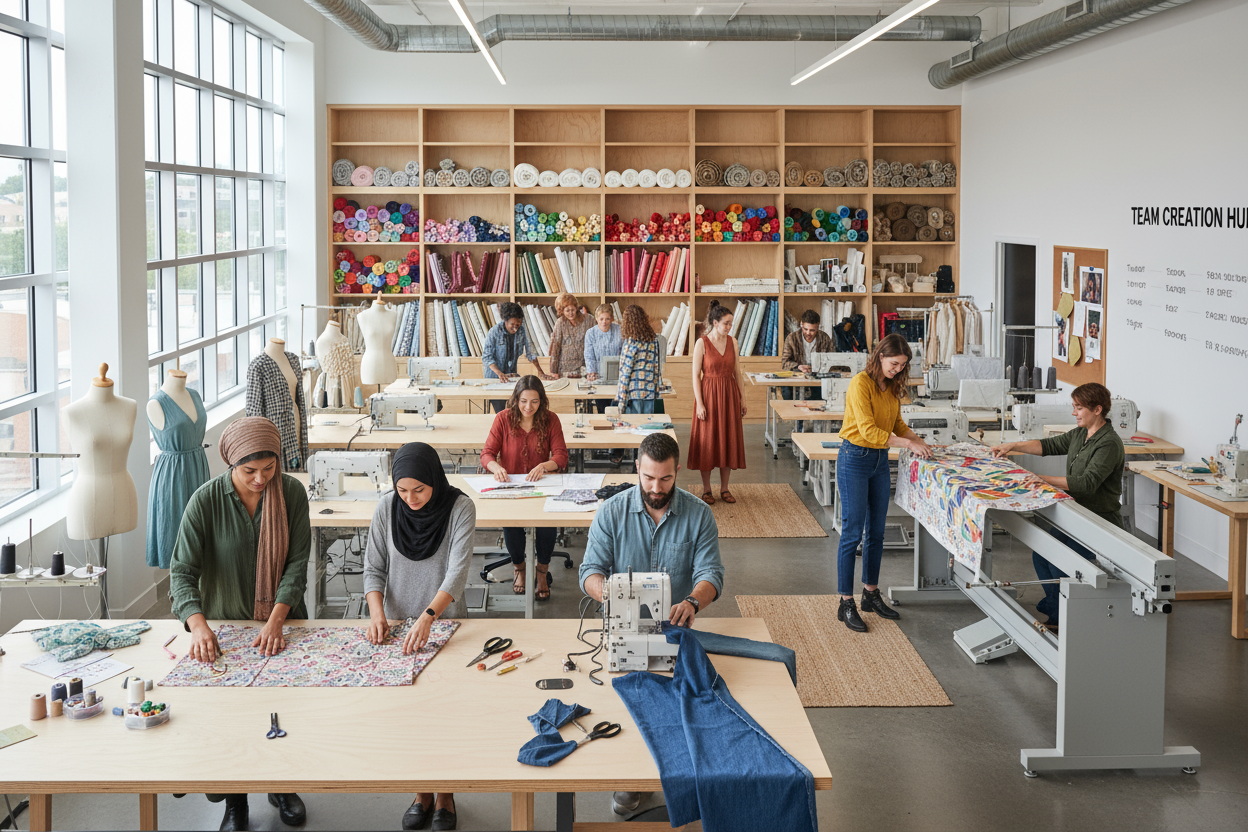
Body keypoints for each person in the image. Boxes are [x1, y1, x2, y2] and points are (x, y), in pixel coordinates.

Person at [169, 417, 310, 832]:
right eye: (250, 472)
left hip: (283, 622)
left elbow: (298, 563)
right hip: (226, 625)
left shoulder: (291, 492)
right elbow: (181, 572)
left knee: (285, 709)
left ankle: (283, 785)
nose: (261, 479)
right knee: (232, 718)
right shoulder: (205, 501)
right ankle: (236, 802)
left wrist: (276, 618)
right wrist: (197, 625)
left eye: (269, 469)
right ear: (231, 463)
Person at [579, 431, 724, 818]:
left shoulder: (698, 514)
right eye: (647, 478)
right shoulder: (611, 512)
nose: (655, 488)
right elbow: (589, 572)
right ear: (636, 470)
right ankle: (632, 779)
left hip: (676, 628)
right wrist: (612, 593)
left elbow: (712, 574)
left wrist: (693, 600)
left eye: (665, 479)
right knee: (631, 702)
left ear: (677, 472)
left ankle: (682, 777)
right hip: (624, 625)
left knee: (687, 705)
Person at [363, 442, 475, 831]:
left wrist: (428, 617)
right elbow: (373, 568)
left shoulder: (460, 508)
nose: (410, 499)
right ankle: (420, 792)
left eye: (419, 490)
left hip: (443, 625)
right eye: (402, 490)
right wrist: (377, 613)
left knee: (445, 713)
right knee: (407, 717)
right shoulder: (385, 509)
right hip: (396, 628)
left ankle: (445, 793)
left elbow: (457, 574)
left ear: (434, 481)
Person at [990, 382, 1125, 634]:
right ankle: (1056, 612)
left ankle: (1065, 619)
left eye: (1079, 408)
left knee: (1060, 564)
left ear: (1097, 409)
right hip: (1074, 513)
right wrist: (1012, 446)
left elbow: (1085, 484)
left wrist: (1038, 478)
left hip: (1098, 518)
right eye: (1074, 407)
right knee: (1041, 554)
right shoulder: (1080, 433)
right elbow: (1047, 446)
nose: (1074, 413)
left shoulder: (1108, 444)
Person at [834, 334, 933, 633]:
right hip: (854, 457)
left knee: (876, 532)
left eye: (902, 366)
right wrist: (907, 444)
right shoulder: (860, 383)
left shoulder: (890, 387)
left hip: (878, 461)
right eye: (894, 364)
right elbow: (867, 429)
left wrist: (921, 442)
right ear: (880, 357)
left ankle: (870, 594)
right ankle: (845, 602)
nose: (897, 370)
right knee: (852, 533)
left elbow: (896, 425)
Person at [480, 376, 569, 600]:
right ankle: (519, 567)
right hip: (512, 486)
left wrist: (544, 465)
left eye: (535, 402)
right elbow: (486, 454)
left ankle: (542, 571)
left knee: (547, 527)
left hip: (541, 485)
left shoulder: (551, 420)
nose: (528, 407)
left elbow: (561, 456)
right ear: (515, 399)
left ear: (542, 401)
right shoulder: (502, 419)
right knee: (511, 527)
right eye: (523, 401)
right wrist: (495, 467)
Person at [688, 300, 747, 505]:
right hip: (709, 395)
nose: (729, 327)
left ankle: (724, 488)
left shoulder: (734, 342)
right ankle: (706, 490)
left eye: (731, 323)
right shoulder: (701, 343)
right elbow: (696, 375)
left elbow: (737, 373)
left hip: (729, 395)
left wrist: (742, 398)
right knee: (707, 442)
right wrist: (701, 404)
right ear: (715, 323)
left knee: (727, 441)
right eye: (726, 323)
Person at [482, 301, 549, 412]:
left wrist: (540, 371)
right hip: (494, 379)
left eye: (518, 325)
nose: (515, 329)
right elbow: (487, 357)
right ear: (505, 321)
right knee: (500, 412)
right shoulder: (493, 332)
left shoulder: (521, 331)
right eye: (512, 325)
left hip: (512, 378)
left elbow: (530, 352)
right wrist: (499, 373)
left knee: (514, 411)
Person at [780, 309, 835, 433]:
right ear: (801, 325)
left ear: (818, 327)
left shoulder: (824, 338)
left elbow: (832, 360)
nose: (808, 333)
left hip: (818, 377)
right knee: (788, 391)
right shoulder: (792, 338)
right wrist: (798, 366)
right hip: (798, 376)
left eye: (812, 330)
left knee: (822, 394)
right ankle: (798, 422)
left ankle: (815, 425)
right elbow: (785, 363)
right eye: (806, 329)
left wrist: (818, 368)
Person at [616, 304, 663, 416]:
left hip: (634, 394)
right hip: (650, 392)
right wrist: (657, 392)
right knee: (647, 428)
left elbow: (625, 374)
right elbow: (656, 368)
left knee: (633, 427)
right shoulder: (654, 340)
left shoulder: (630, 343)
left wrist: (621, 401)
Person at [547, 292, 594, 378]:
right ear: (562, 311)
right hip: (565, 370)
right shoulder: (560, 323)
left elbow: (596, 341)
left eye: (572, 309)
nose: (571, 313)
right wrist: (553, 371)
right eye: (567, 311)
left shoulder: (589, 319)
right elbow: (555, 348)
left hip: (585, 368)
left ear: (576, 308)